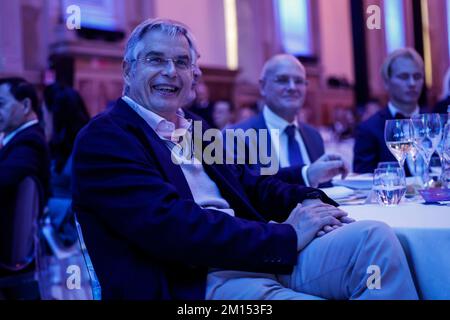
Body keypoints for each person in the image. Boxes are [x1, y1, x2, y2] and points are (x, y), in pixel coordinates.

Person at [72, 18, 418, 300]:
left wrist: (315, 203)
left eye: (181, 62)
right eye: (155, 60)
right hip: (194, 283)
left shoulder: (194, 127)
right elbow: (176, 228)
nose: (171, 72)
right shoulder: (106, 139)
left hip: (257, 254)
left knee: (374, 239)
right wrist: (286, 236)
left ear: (193, 73)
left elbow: (253, 184)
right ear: (127, 70)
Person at [229, 54, 348, 188]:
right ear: (262, 87)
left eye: (298, 81)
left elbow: (324, 189)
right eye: (282, 80)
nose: (292, 87)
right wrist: (306, 176)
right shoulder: (237, 136)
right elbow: (244, 194)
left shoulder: (313, 136)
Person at [0, 77, 50, 299]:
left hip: (10, 250)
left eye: (1, 103)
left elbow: (5, 179)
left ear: (26, 105)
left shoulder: (28, 142)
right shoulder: (21, 139)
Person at [353, 48, 425, 175]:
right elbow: (363, 179)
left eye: (417, 76)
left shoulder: (435, 125)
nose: (412, 83)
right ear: (386, 82)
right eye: (403, 77)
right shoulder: (369, 129)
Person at [43, 83, 90, 198]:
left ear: (54, 115)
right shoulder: (85, 140)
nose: (43, 120)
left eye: (44, 112)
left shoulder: (82, 149)